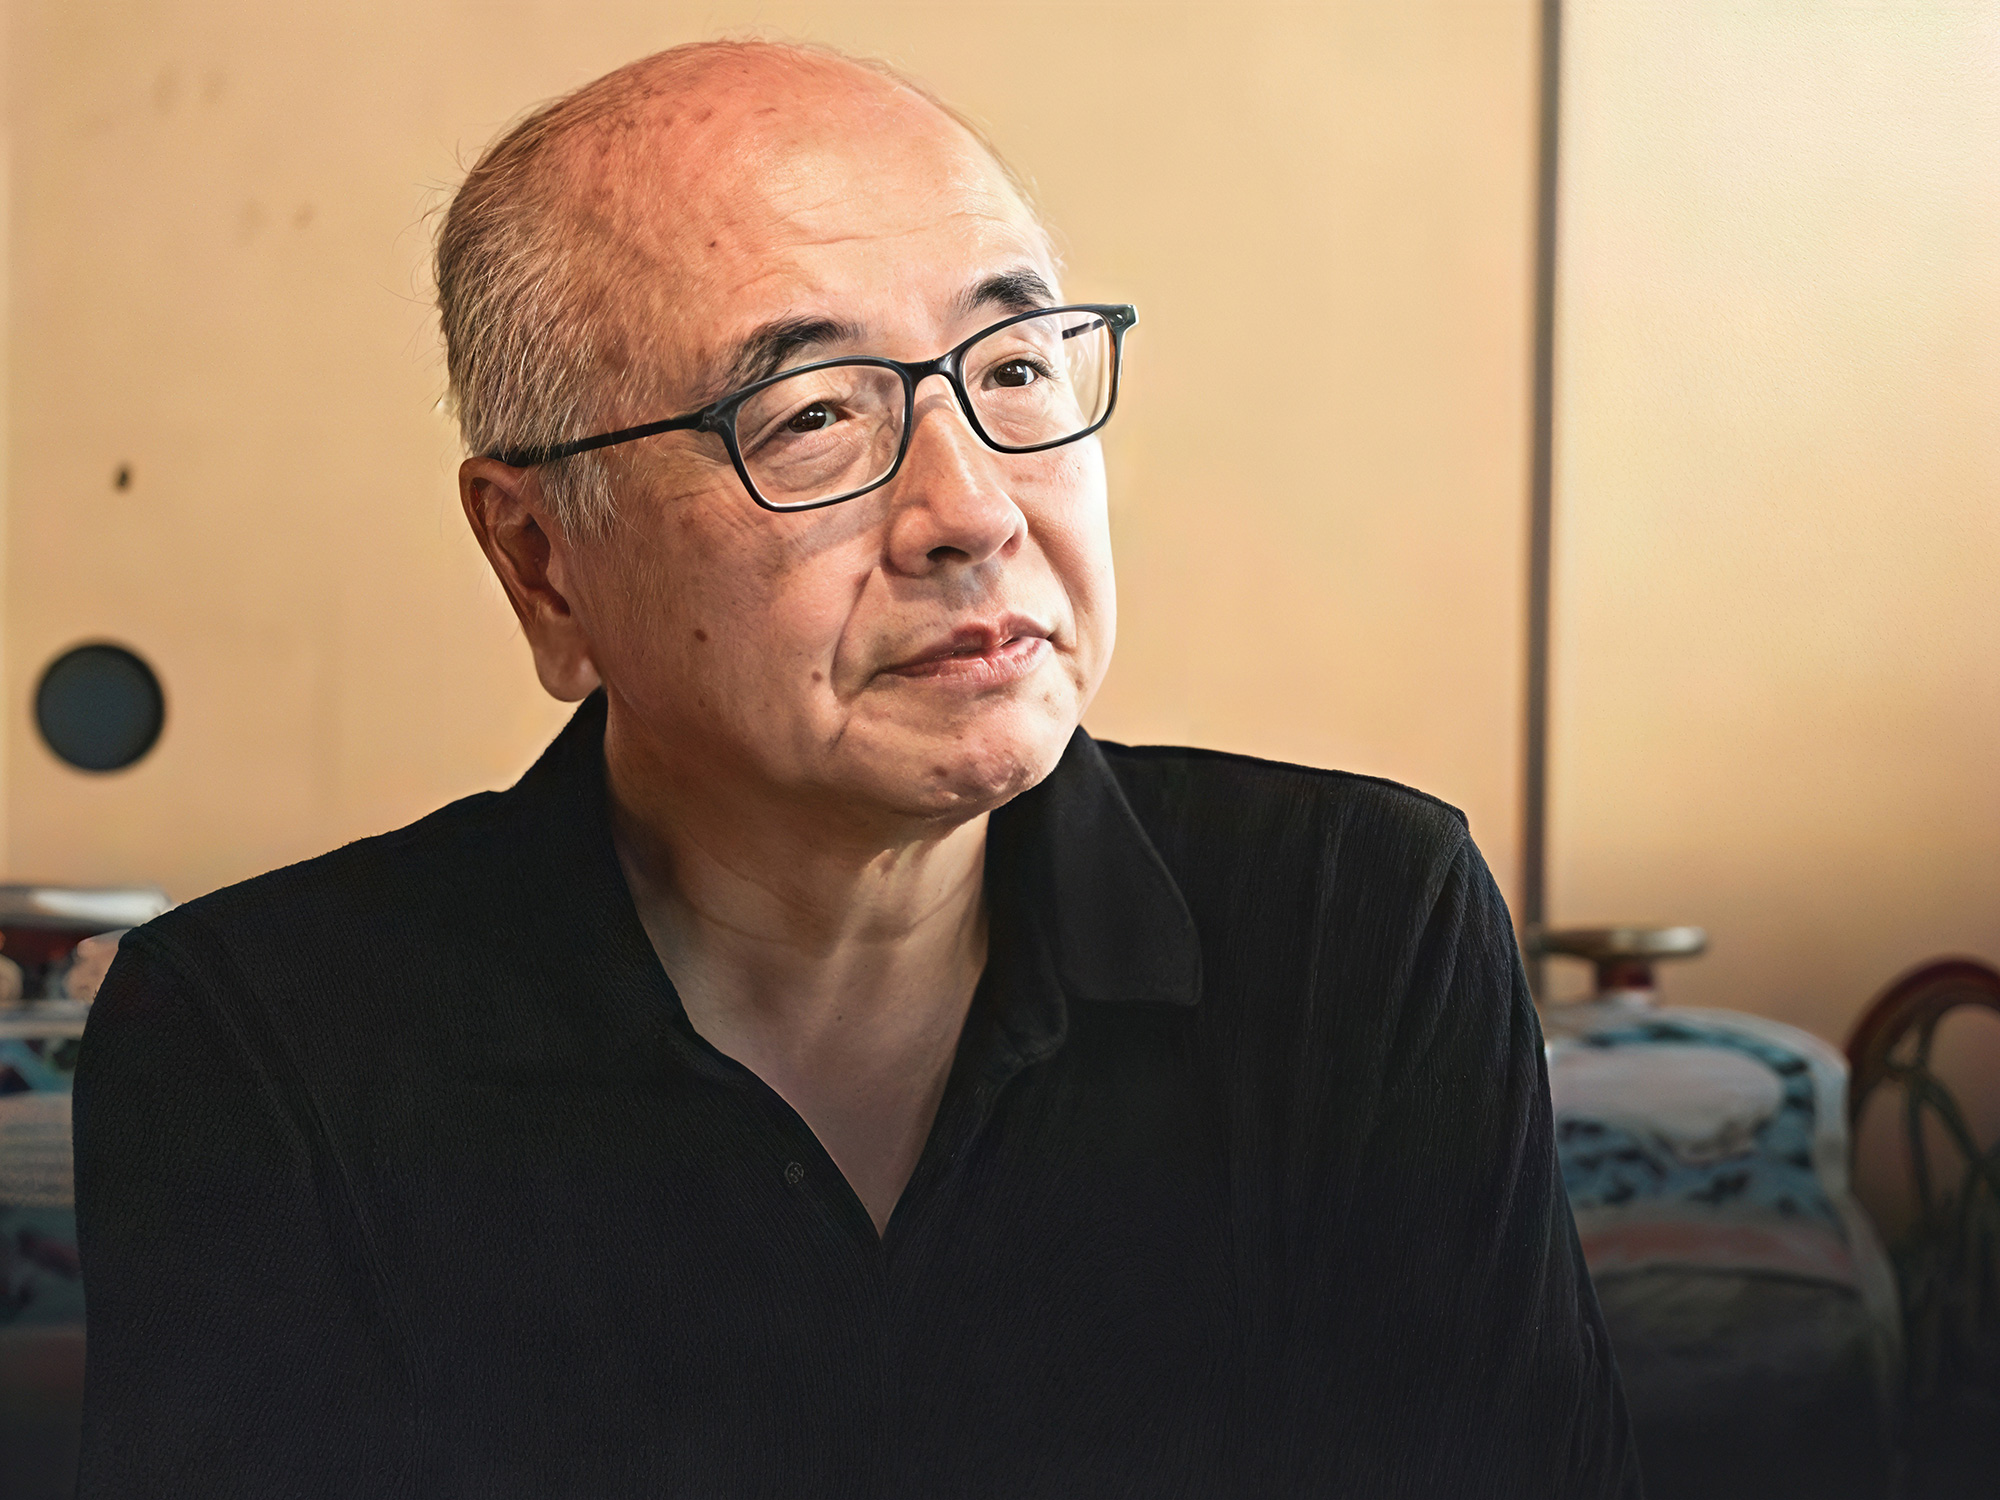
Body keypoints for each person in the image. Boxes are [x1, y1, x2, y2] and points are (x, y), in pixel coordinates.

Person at [72, 40, 1640, 1497]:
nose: (972, 512)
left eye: (1016, 367)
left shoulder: (1357, 925)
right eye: (812, 413)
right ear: (544, 564)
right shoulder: (264, 1045)